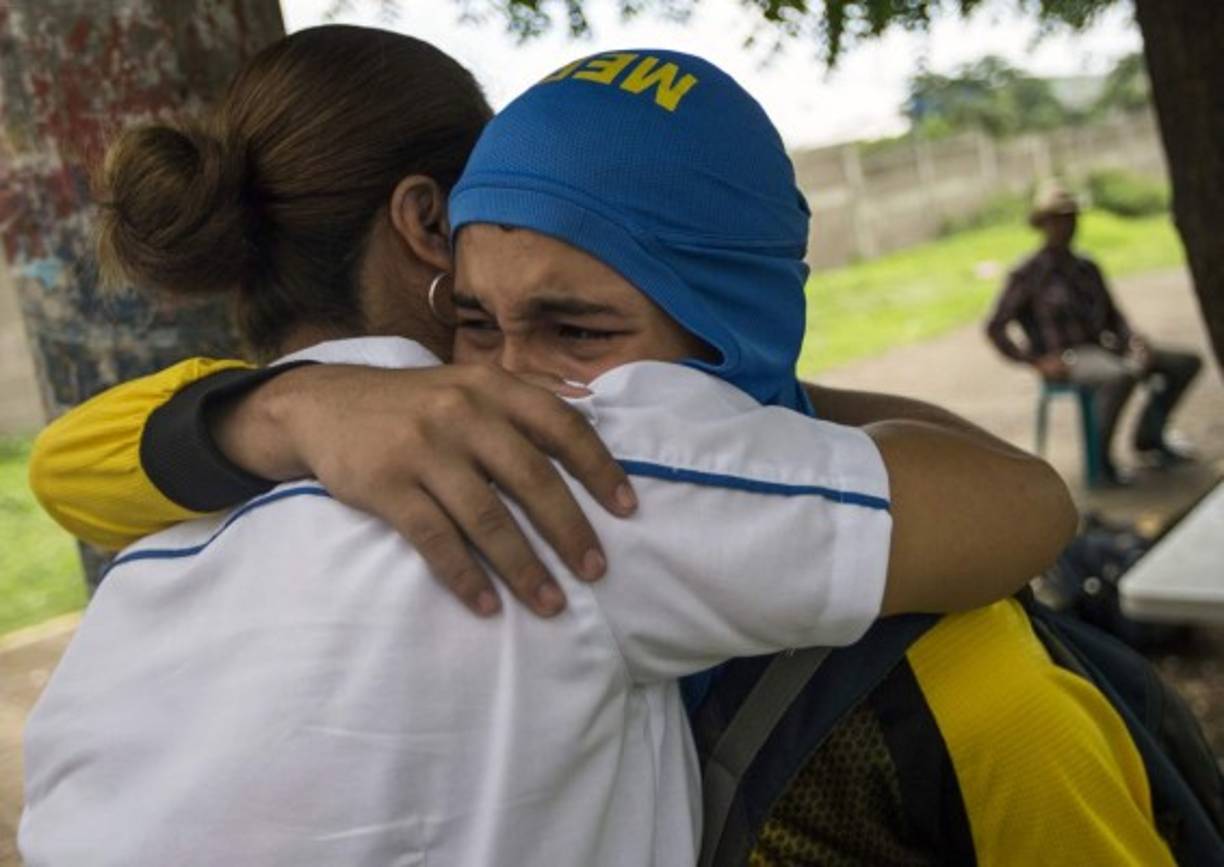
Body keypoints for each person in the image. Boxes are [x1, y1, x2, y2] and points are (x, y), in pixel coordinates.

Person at [20, 34, 1077, 866]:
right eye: (480, 320)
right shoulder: (552, 470)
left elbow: (63, 469)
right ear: (432, 225)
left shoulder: (152, 559)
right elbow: (1025, 504)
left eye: (576, 329)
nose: (518, 374)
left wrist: (279, 414)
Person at [986, 182, 1202, 485]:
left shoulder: (1087, 267)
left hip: (1104, 347)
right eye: (1058, 219)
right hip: (1068, 357)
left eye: (1071, 217)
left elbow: (1114, 316)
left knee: (1184, 363)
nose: (1067, 225)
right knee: (1119, 376)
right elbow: (995, 326)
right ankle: (1099, 464)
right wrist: (1035, 361)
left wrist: (1134, 339)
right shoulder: (1028, 273)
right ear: (1043, 224)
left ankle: (1150, 436)